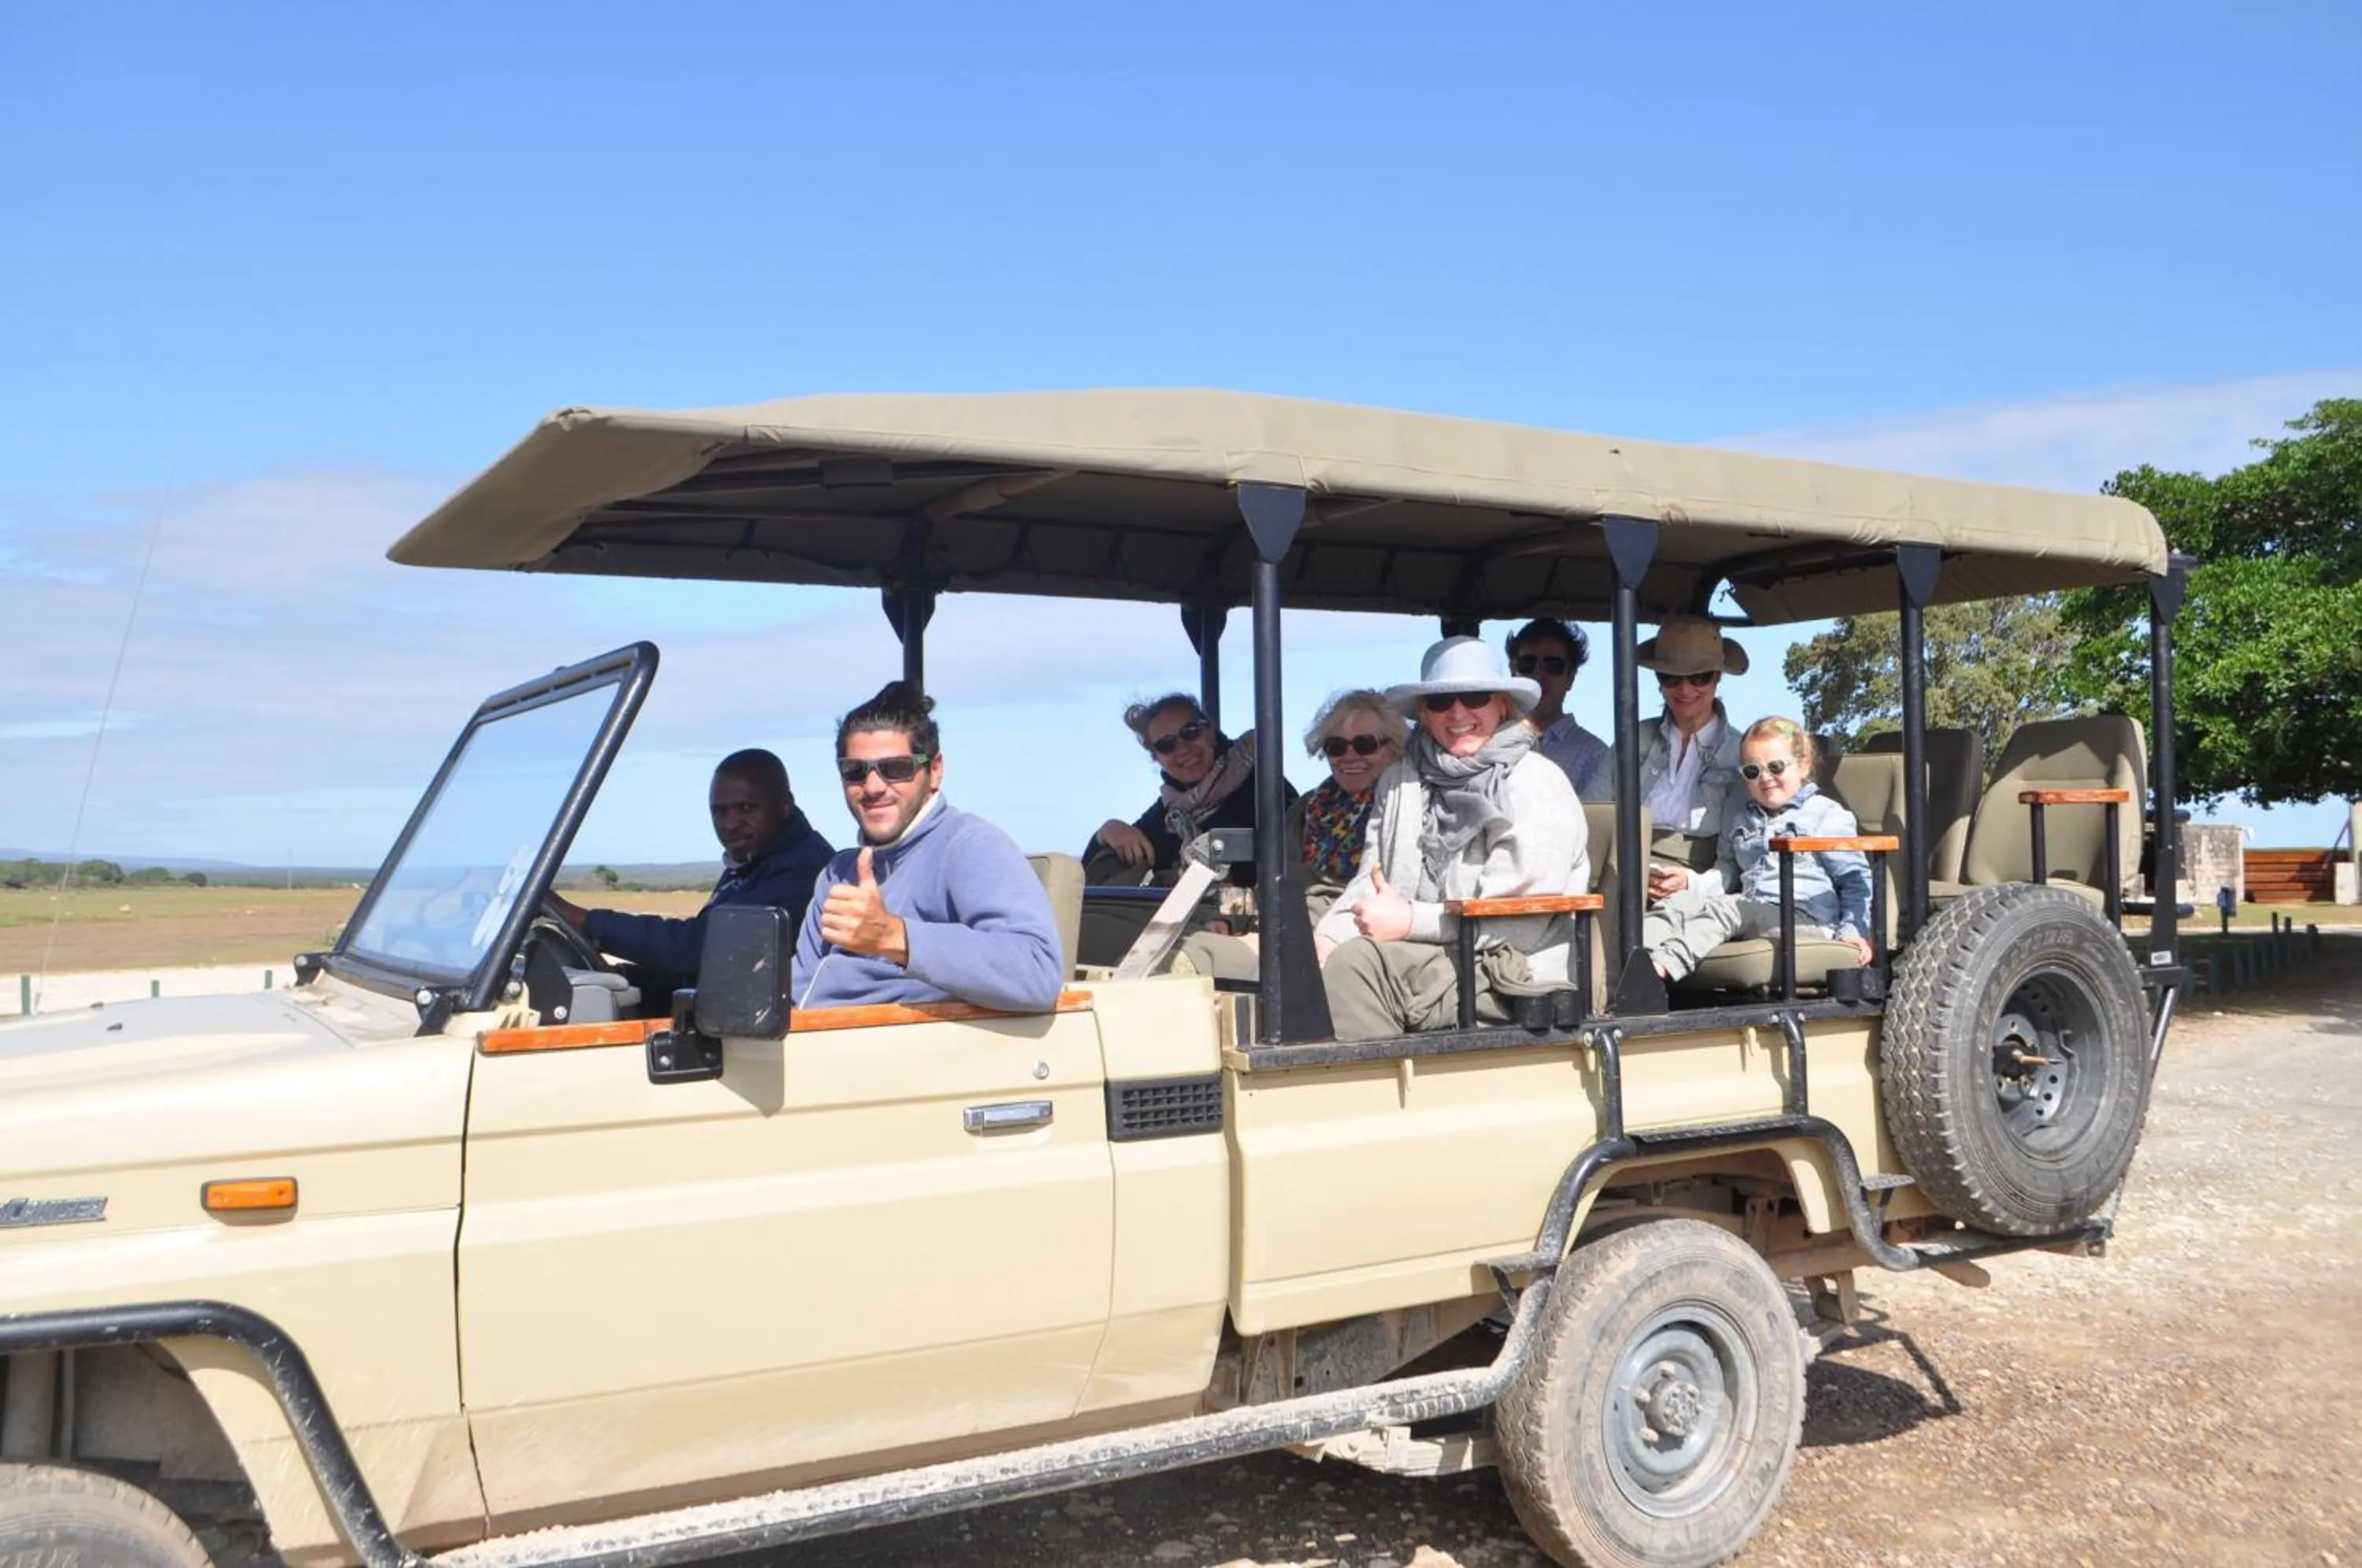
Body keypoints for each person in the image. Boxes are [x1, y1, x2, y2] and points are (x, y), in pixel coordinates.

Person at [1314, 638, 1589, 1041]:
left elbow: (1521, 919)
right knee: (1294, 966)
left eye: (1474, 697)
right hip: (1424, 955)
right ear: (1424, 714)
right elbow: (1369, 881)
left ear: (1501, 705)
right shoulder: (1400, 780)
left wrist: (1411, 920)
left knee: (1357, 966)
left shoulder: (1537, 782)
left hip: (1509, 968)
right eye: (1441, 702)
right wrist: (1327, 936)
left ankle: (1383, 1097)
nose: (1458, 712)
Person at [791, 682, 1064, 1013]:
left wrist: (896, 937)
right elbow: (799, 991)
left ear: (934, 771)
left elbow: (1038, 973)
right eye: (855, 772)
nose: (873, 787)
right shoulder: (838, 873)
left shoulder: (970, 847)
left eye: (896, 769)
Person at [546, 749, 832, 988]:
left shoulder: (803, 870)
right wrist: (619, 979)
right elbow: (701, 973)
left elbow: (700, 949)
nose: (730, 824)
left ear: (785, 805)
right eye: (720, 812)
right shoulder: (754, 860)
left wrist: (585, 920)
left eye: (746, 808)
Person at [1643, 716, 1874, 982]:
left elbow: (1855, 881)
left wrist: (1853, 931)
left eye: (1776, 767)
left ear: (1803, 766)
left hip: (1808, 920)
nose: (1765, 778)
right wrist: (1691, 887)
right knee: (1679, 904)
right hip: (1756, 911)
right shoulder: (1743, 818)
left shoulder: (1826, 814)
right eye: (1752, 771)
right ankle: (1635, 965)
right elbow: (1728, 874)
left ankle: (1657, 972)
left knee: (1732, 909)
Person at [1599, 616, 1750, 899]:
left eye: (1699, 677)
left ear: (1718, 676)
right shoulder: (1632, 738)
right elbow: (1592, 814)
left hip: (1700, 887)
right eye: (1670, 678)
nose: (1685, 690)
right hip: (1621, 872)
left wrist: (1694, 884)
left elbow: (1746, 855)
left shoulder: (1742, 753)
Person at [1086, 693, 1296, 887]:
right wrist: (1108, 831)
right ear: (1156, 757)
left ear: (1210, 731)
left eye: (1191, 732)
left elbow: (1294, 859)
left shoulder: (1263, 788)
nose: (1183, 749)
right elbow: (1087, 880)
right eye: (1167, 745)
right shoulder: (1167, 816)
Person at [1505, 618, 1612, 799]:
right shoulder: (1489, 741)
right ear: (1513, 671)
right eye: (1527, 664)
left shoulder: (1595, 755)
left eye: (1553, 666)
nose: (1539, 674)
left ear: (1571, 677)